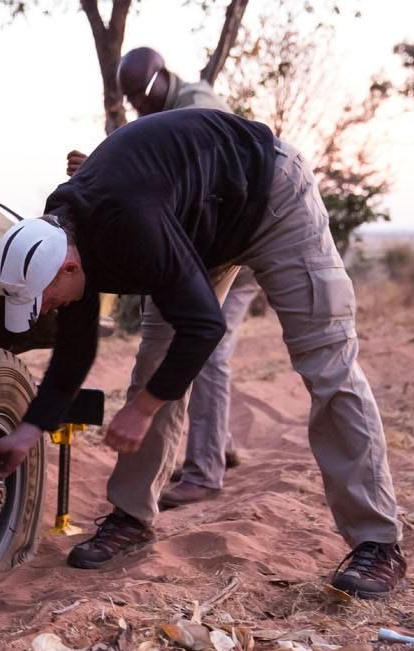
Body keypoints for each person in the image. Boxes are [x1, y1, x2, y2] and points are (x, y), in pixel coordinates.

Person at [0, 108, 407, 599]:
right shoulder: (63, 236)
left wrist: (142, 412)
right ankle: (132, 516)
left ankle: (379, 543)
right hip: (195, 228)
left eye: (47, 299)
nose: (47, 309)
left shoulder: (129, 226)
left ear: (70, 266)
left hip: (269, 194)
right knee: (153, 368)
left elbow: (205, 328)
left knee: (327, 364)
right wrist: (30, 430)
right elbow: (75, 351)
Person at [70, 46, 257, 509]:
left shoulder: (196, 102)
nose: (135, 105)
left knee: (202, 344)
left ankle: (205, 471)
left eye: (138, 94)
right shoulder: (152, 115)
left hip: (239, 244)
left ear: (159, 80)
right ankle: (219, 444)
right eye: (128, 98)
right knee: (192, 341)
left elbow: (198, 160)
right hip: (196, 246)